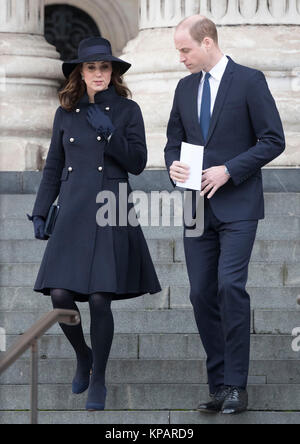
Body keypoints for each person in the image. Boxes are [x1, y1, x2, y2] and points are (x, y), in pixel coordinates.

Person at [27, 37, 161, 411]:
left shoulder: (127, 111)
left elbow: (136, 162)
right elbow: (53, 165)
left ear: (112, 72)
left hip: (110, 207)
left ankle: (99, 376)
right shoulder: (65, 113)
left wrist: (110, 132)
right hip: (72, 209)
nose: (99, 73)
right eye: (91, 67)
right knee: (60, 295)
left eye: (105, 67)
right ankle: (83, 355)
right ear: (80, 73)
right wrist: (41, 211)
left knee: (101, 297)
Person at [164, 16, 285, 414]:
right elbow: (173, 143)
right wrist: (172, 167)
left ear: (208, 42)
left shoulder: (249, 81)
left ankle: (236, 385)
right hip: (196, 208)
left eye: (185, 50)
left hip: (238, 206)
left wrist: (230, 169)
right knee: (201, 293)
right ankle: (219, 385)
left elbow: (273, 140)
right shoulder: (184, 88)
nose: (180, 58)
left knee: (229, 287)